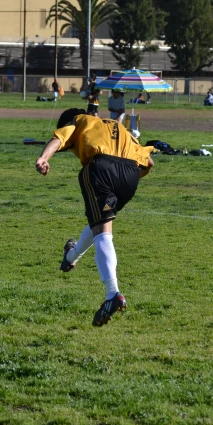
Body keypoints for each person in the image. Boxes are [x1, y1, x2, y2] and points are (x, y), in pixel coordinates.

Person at [34, 108, 155, 327]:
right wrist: (131, 177)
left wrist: (43, 158)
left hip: (101, 168)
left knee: (103, 232)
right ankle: (71, 257)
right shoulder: (119, 127)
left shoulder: (79, 120)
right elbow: (149, 163)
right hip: (131, 175)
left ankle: (113, 294)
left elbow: (57, 138)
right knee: (100, 221)